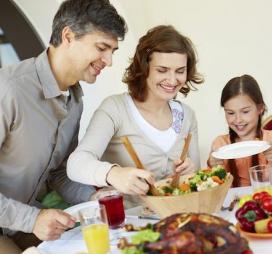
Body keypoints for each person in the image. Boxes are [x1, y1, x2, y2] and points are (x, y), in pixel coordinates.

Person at [0, 0, 126, 252]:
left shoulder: (74, 100)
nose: (109, 60)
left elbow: (59, 172)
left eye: (113, 50)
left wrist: (92, 197)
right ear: (68, 35)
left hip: (23, 224)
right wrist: (32, 219)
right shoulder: (9, 89)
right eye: (102, 48)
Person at [67, 25, 204, 203]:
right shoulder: (115, 109)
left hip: (177, 221)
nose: (172, 80)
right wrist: (113, 173)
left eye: (180, 71)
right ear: (144, 68)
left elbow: (198, 182)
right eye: (162, 70)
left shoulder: (187, 115)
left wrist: (191, 173)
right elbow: (76, 164)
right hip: (129, 226)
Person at [207, 74, 272, 187]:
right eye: (230, 113)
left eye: (245, 112)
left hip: (265, 199)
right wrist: (212, 165)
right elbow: (216, 186)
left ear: (260, 108)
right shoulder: (220, 144)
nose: (238, 120)